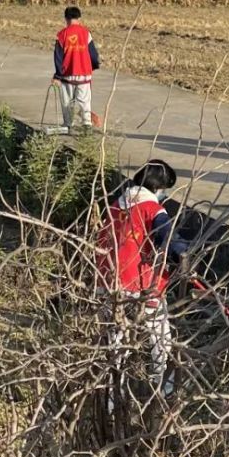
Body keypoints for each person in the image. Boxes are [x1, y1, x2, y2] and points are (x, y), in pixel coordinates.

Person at [96, 159, 189, 400]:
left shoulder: (116, 206)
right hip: (141, 285)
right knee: (161, 341)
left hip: (107, 282)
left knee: (116, 345)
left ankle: (111, 398)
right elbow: (169, 238)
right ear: (159, 188)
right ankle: (163, 390)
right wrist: (184, 256)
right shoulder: (152, 208)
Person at [52, 6, 100, 129]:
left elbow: (58, 57)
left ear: (66, 19)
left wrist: (57, 75)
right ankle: (86, 124)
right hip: (84, 73)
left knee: (67, 102)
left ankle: (68, 124)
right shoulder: (86, 33)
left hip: (67, 74)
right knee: (84, 101)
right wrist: (93, 65)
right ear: (79, 18)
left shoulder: (62, 35)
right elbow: (93, 54)